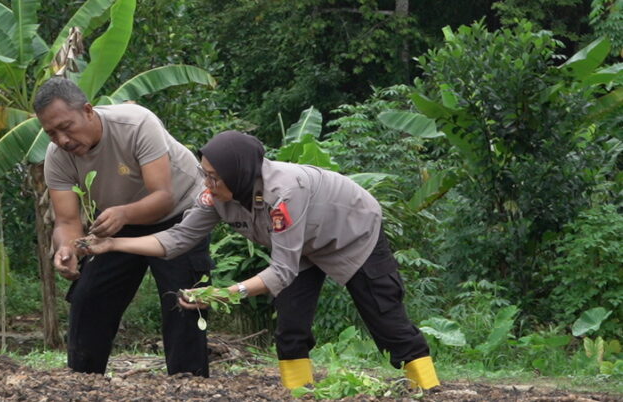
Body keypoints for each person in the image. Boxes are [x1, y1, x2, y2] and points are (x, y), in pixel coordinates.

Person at [84, 131, 441, 391]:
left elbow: (281, 270)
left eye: (213, 176)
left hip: (350, 231)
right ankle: (299, 392)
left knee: (385, 318)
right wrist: (114, 244)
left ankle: (429, 390)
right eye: (203, 173)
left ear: (238, 171)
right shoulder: (217, 196)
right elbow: (178, 238)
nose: (206, 183)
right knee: (290, 327)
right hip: (300, 248)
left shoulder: (284, 193)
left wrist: (224, 293)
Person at [35, 77, 212, 377]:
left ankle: (189, 385)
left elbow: (163, 197)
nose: (62, 140)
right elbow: (67, 221)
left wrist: (123, 214)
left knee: (184, 300)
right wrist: (66, 248)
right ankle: (82, 381)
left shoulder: (137, 124)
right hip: (118, 220)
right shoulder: (57, 157)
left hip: (182, 214)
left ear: (88, 111)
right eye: (52, 134)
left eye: (66, 127)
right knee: (88, 297)